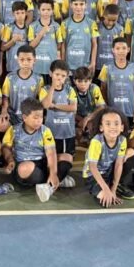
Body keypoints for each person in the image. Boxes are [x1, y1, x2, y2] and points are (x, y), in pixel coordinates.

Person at [1, 98, 61, 203]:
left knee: (66, 157)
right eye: (35, 118)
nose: (39, 121)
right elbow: (5, 148)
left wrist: (53, 172)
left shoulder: (45, 131)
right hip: (23, 165)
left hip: (41, 163)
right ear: (24, 117)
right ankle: (54, 181)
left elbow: (51, 153)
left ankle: (53, 180)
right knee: (25, 168)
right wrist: (10, 160)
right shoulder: (13, 130)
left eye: (41, 117)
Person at [82, 108, 134, 206]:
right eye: (108, 124)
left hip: (108, 172)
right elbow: (92, 167)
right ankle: (100, 188)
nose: (113, 127)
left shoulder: (122, 140)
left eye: (116, 124)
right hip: (92, 176)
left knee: (131, 153)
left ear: (122, 127)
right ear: (101, 127)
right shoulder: (96, 141)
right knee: (106, 201)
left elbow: (118, 165)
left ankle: (118, 185)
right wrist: (106, 190)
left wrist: (113, 190)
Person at [39, 60, 77, 189]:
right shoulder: (45, 89)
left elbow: (73, 107)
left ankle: (57, 180)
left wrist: (55, 106)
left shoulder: (69, 89)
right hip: (51, 132)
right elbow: (45, 105)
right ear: (51, 74)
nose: (59, 78)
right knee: (51, 158)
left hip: (67, 132)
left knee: (66, 159)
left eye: (63, 76)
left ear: (67, 77)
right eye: (57, 75)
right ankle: (51, 177)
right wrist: (53, 88)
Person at [0, 45, 44, 132]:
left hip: (30, 115)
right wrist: (4, 111)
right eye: (22, 60)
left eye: (29, 59)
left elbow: (40, 100)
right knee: (1, 127)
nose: (25, 63)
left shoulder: (38, 79)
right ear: (17, 60)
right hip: (13, 115)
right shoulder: (10, 77)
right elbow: (5, 97)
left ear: (34, 60)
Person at [99, 37, 134, 127]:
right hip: (112, 111)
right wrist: (106, 108)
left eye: (124, 48)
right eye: (117, 48)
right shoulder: (106, 67)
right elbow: (103, 89)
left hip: (130, 111)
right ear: (113, 50)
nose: (121, 51)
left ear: (128, 49)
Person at [60, 0, 99, 76]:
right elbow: (63, 44)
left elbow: (94, 44)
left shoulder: (92, 23)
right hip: (69, 65)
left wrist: (93, 62)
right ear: (71, 5)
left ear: (86, 5)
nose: (78, 7)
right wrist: (63, 62)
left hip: (85, 65)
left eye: (81, 4)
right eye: (76, 4)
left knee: (83, 84)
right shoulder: (65, 23)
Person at [28, 0, 62, 82]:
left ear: (52, 10)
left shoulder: (56, 26)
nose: (46, 12)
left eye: (48, 9)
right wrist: (41, 33)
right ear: (38, 11)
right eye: (43, 10)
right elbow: (31, 46)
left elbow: (59, 45)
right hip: (37, 66)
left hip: (51, 65)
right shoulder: (33, 26)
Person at [73, 67, 106, 146]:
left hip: (93, 117)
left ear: (90, 81)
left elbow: (102, 107)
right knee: (78, 133)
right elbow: (71, 111)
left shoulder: (94, 88)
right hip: (78, 118)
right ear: (74, 81)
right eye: (79, 81)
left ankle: (93, 140)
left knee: (92, 125)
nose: (83, 84)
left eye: (86, 81)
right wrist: (82, 120)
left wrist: (88, 118)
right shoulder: (72, 91)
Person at [96, 4, 124, 78]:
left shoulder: (120, 29)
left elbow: (121, 48)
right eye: (109, 20)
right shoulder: (97, 27)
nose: (111, 22)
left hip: (113, 66)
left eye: (114, 20)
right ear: (104, 15)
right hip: (98, 65)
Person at [1, 1, 29, 75]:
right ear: (13, 14)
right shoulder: (9, 28)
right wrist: (13, 40)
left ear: (26, 13)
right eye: (17, 13)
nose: (20, 15)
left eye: (22, 13)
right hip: (12, 65)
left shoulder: (29, 28)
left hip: (26, 65)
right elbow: (2, 48)